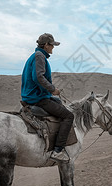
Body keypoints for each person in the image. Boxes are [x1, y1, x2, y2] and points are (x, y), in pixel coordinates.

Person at [21, 33, 74, 163]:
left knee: (58, 102)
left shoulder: (37, 56)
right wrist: (52, 89)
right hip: (37, 98)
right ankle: (58, 150)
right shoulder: (40, 56)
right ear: (45, 45)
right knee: (68, 116)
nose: (53, 48)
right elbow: (38, 77)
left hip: (35, 95)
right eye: (52, 45)